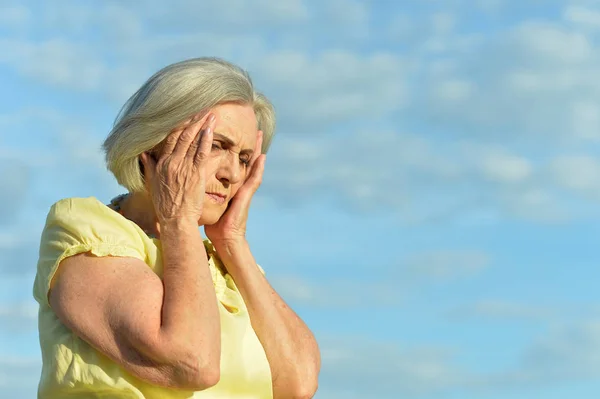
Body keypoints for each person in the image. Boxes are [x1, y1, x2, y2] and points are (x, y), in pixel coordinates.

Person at [32, 57, 321, 399]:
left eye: (244, 158)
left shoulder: (225, 266)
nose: (231, 174)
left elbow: (298, 385)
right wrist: (178, 220)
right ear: (154, 140)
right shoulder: (85, 229)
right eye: (217, 145)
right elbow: (191, 362)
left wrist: (232, 241)